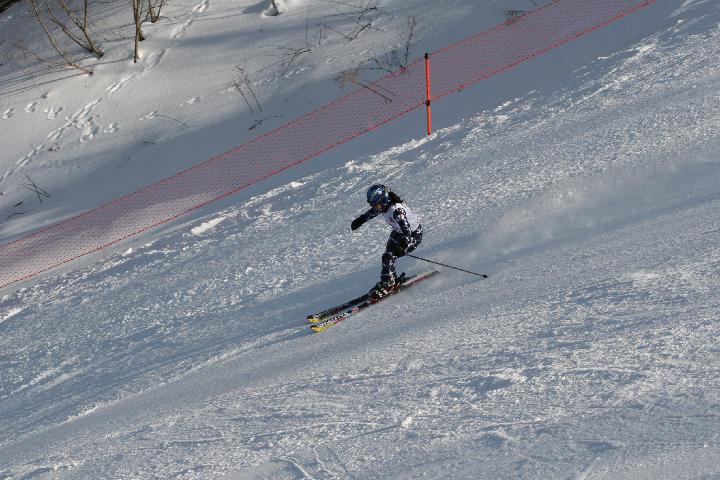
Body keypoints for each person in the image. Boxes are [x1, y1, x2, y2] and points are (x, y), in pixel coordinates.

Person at [351, 184, 423, 299]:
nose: (376, 207)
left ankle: (388, 284)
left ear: (384, 199)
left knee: (388, 257)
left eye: (376, 204)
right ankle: (389, 280)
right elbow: (373, 212)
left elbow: (407, 231)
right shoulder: (384, 206)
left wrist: (403, 245)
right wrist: (361, 220)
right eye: (373, 205)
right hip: (398, 233)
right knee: (387, 255)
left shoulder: (396, 210)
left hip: (412, 236)